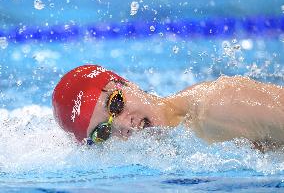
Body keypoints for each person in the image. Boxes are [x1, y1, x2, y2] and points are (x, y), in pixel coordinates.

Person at [52, 65, 284, 151]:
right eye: (103, 131)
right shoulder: (182, 144)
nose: (124, 125)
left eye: (116, 104)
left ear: (126, 83)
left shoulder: (216, 107)